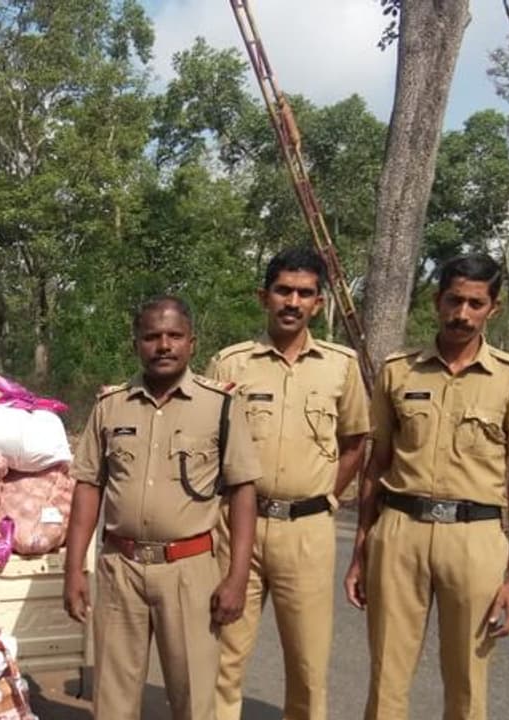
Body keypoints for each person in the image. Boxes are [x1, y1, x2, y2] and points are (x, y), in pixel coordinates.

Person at [344, 254, 509, 720]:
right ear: (437, 301)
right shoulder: (399, 371)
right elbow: (376, 465)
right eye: (454, 300)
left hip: (474, 537)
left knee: (467, 681)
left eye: (475, 303)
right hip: (399, 531)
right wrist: (361, 549)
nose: (462, 313)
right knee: (386, 677)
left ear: (492, 309)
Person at [64, 295, 262, 720]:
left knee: (193, 696)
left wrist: (238, 576)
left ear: (193, 342)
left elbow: (243, 494)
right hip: (121, 566)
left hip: (190, 571)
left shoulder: (221, 407)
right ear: (137, 343)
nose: (164, 345)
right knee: (113, 700)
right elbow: (87, 489)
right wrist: (74, 568)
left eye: (174, 336)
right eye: (152, 336)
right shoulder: (110, 406)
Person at [206, 247, 370, 720]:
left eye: (304, 293)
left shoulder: (340, 366)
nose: (292, 302)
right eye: (283, 291)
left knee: (307, 664)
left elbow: (355, 442)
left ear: (319, 303)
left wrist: (325, 495)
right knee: (224, 654)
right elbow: (204, 441)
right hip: (238, 528)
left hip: (309, 532)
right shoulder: (232, 365)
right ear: (265, 296)